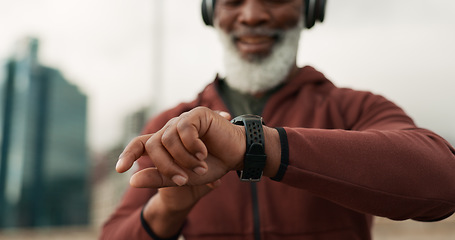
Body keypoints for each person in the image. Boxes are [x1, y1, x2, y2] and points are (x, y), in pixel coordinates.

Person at [101, 0, 455, 239]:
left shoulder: (354, 108)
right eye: (233, 0)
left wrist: (257, 146)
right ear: (211, 12)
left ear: (311, 8)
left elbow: (443, 182)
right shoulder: (170, 123)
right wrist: (167, 208)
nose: (252, 15)